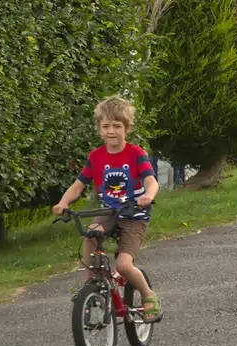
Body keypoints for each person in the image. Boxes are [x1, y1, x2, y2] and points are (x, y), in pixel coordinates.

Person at [50, 96, 162, 321]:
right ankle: (91, 285)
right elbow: (78, 185)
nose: (111, 131)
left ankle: (149, 295)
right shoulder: (96, 156)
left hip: (133, 213)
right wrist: (63, 203)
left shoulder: (135, 153)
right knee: (90, 234)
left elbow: (151, 180)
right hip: (109, 210)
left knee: (123, 263)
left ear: (127, 128)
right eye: (106, 126)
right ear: (99, 129)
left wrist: (148, 196)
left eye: (117, 126)